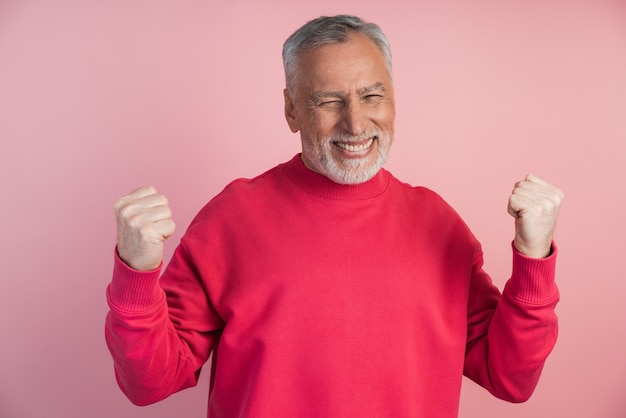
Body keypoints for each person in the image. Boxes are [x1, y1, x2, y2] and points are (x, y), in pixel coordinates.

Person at [105, 15, 563, 417]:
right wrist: (137, 274)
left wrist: (534, 257)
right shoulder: (232, 219)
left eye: (371, 96)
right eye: (329, 101)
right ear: (291, 109)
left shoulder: (439, 224)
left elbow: (509, 378)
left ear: (394, 101)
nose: (356, 124)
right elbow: (151, 384)